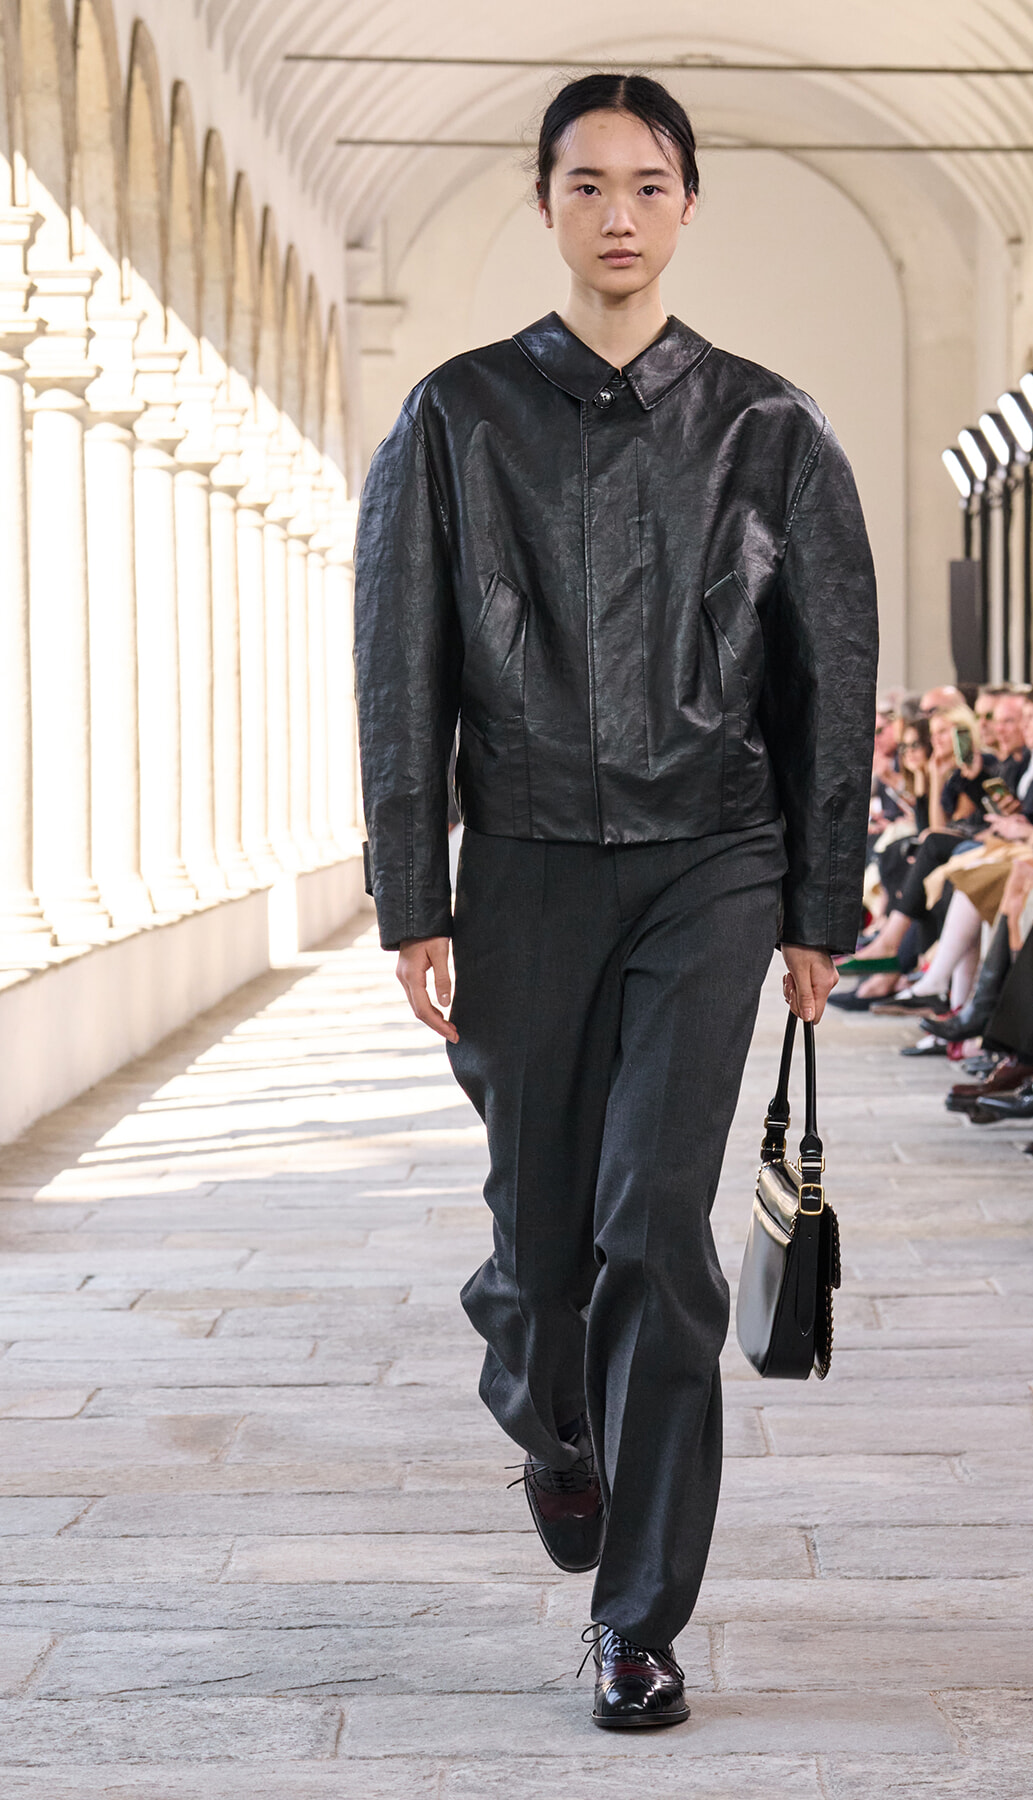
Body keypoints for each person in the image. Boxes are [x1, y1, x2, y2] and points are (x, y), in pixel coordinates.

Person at [353, 73, 878, 1731]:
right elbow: (399, 657)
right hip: (515, 869)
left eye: (649, 183)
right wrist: (406, 887)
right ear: (549, 205)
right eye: (588, 184)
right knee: (537, 1242)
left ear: (688, 207)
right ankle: (550, 1418)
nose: (620, 212)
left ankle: (640, 1616)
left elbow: (832, 678)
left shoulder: (773, 428)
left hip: (707, 864)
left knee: (653, 1229)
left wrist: (818, 899)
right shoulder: (452, 417)